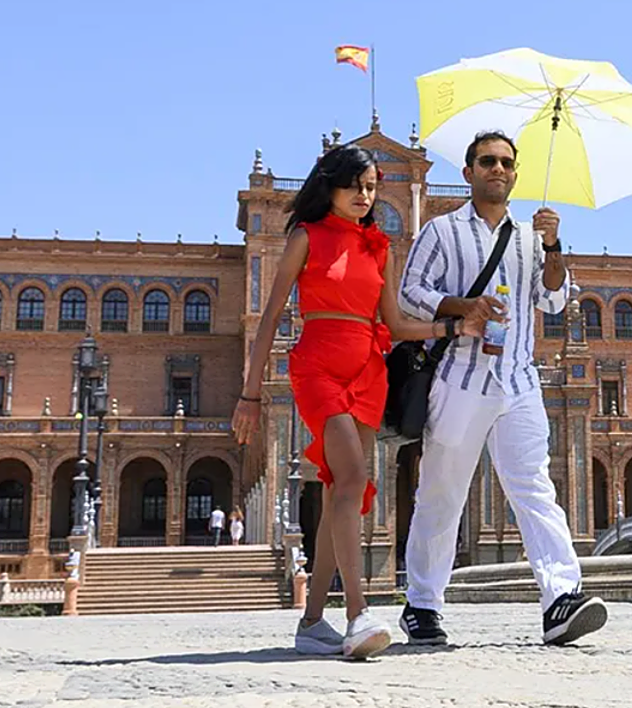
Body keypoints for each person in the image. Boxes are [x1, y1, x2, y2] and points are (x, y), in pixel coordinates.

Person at [233, 145, 483, 660]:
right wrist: (250, 394)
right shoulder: (306, 237)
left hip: (369, 371)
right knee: (350, 480)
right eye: (356, 186)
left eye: (371, 188)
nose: (365, 196)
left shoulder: (379, 248)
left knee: (337, 494)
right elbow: (269, 318)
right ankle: (357, 613)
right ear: (330, 186)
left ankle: (311, 622)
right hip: (318, 367)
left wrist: (453, 328)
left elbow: (396, 324)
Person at [397, 130, 608, 647]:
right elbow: (410, 292)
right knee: (442, 491)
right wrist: (462, 308)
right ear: (469, 172)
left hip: (518, 380)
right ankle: (422, 603)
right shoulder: (441, 231)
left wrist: (553, 247)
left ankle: (561, 597)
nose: (498, 169)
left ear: (515, 174)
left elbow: (553, 300)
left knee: (534, 486)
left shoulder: (530, 238)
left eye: (507, 163)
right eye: (488, 161)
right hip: (460, 379)